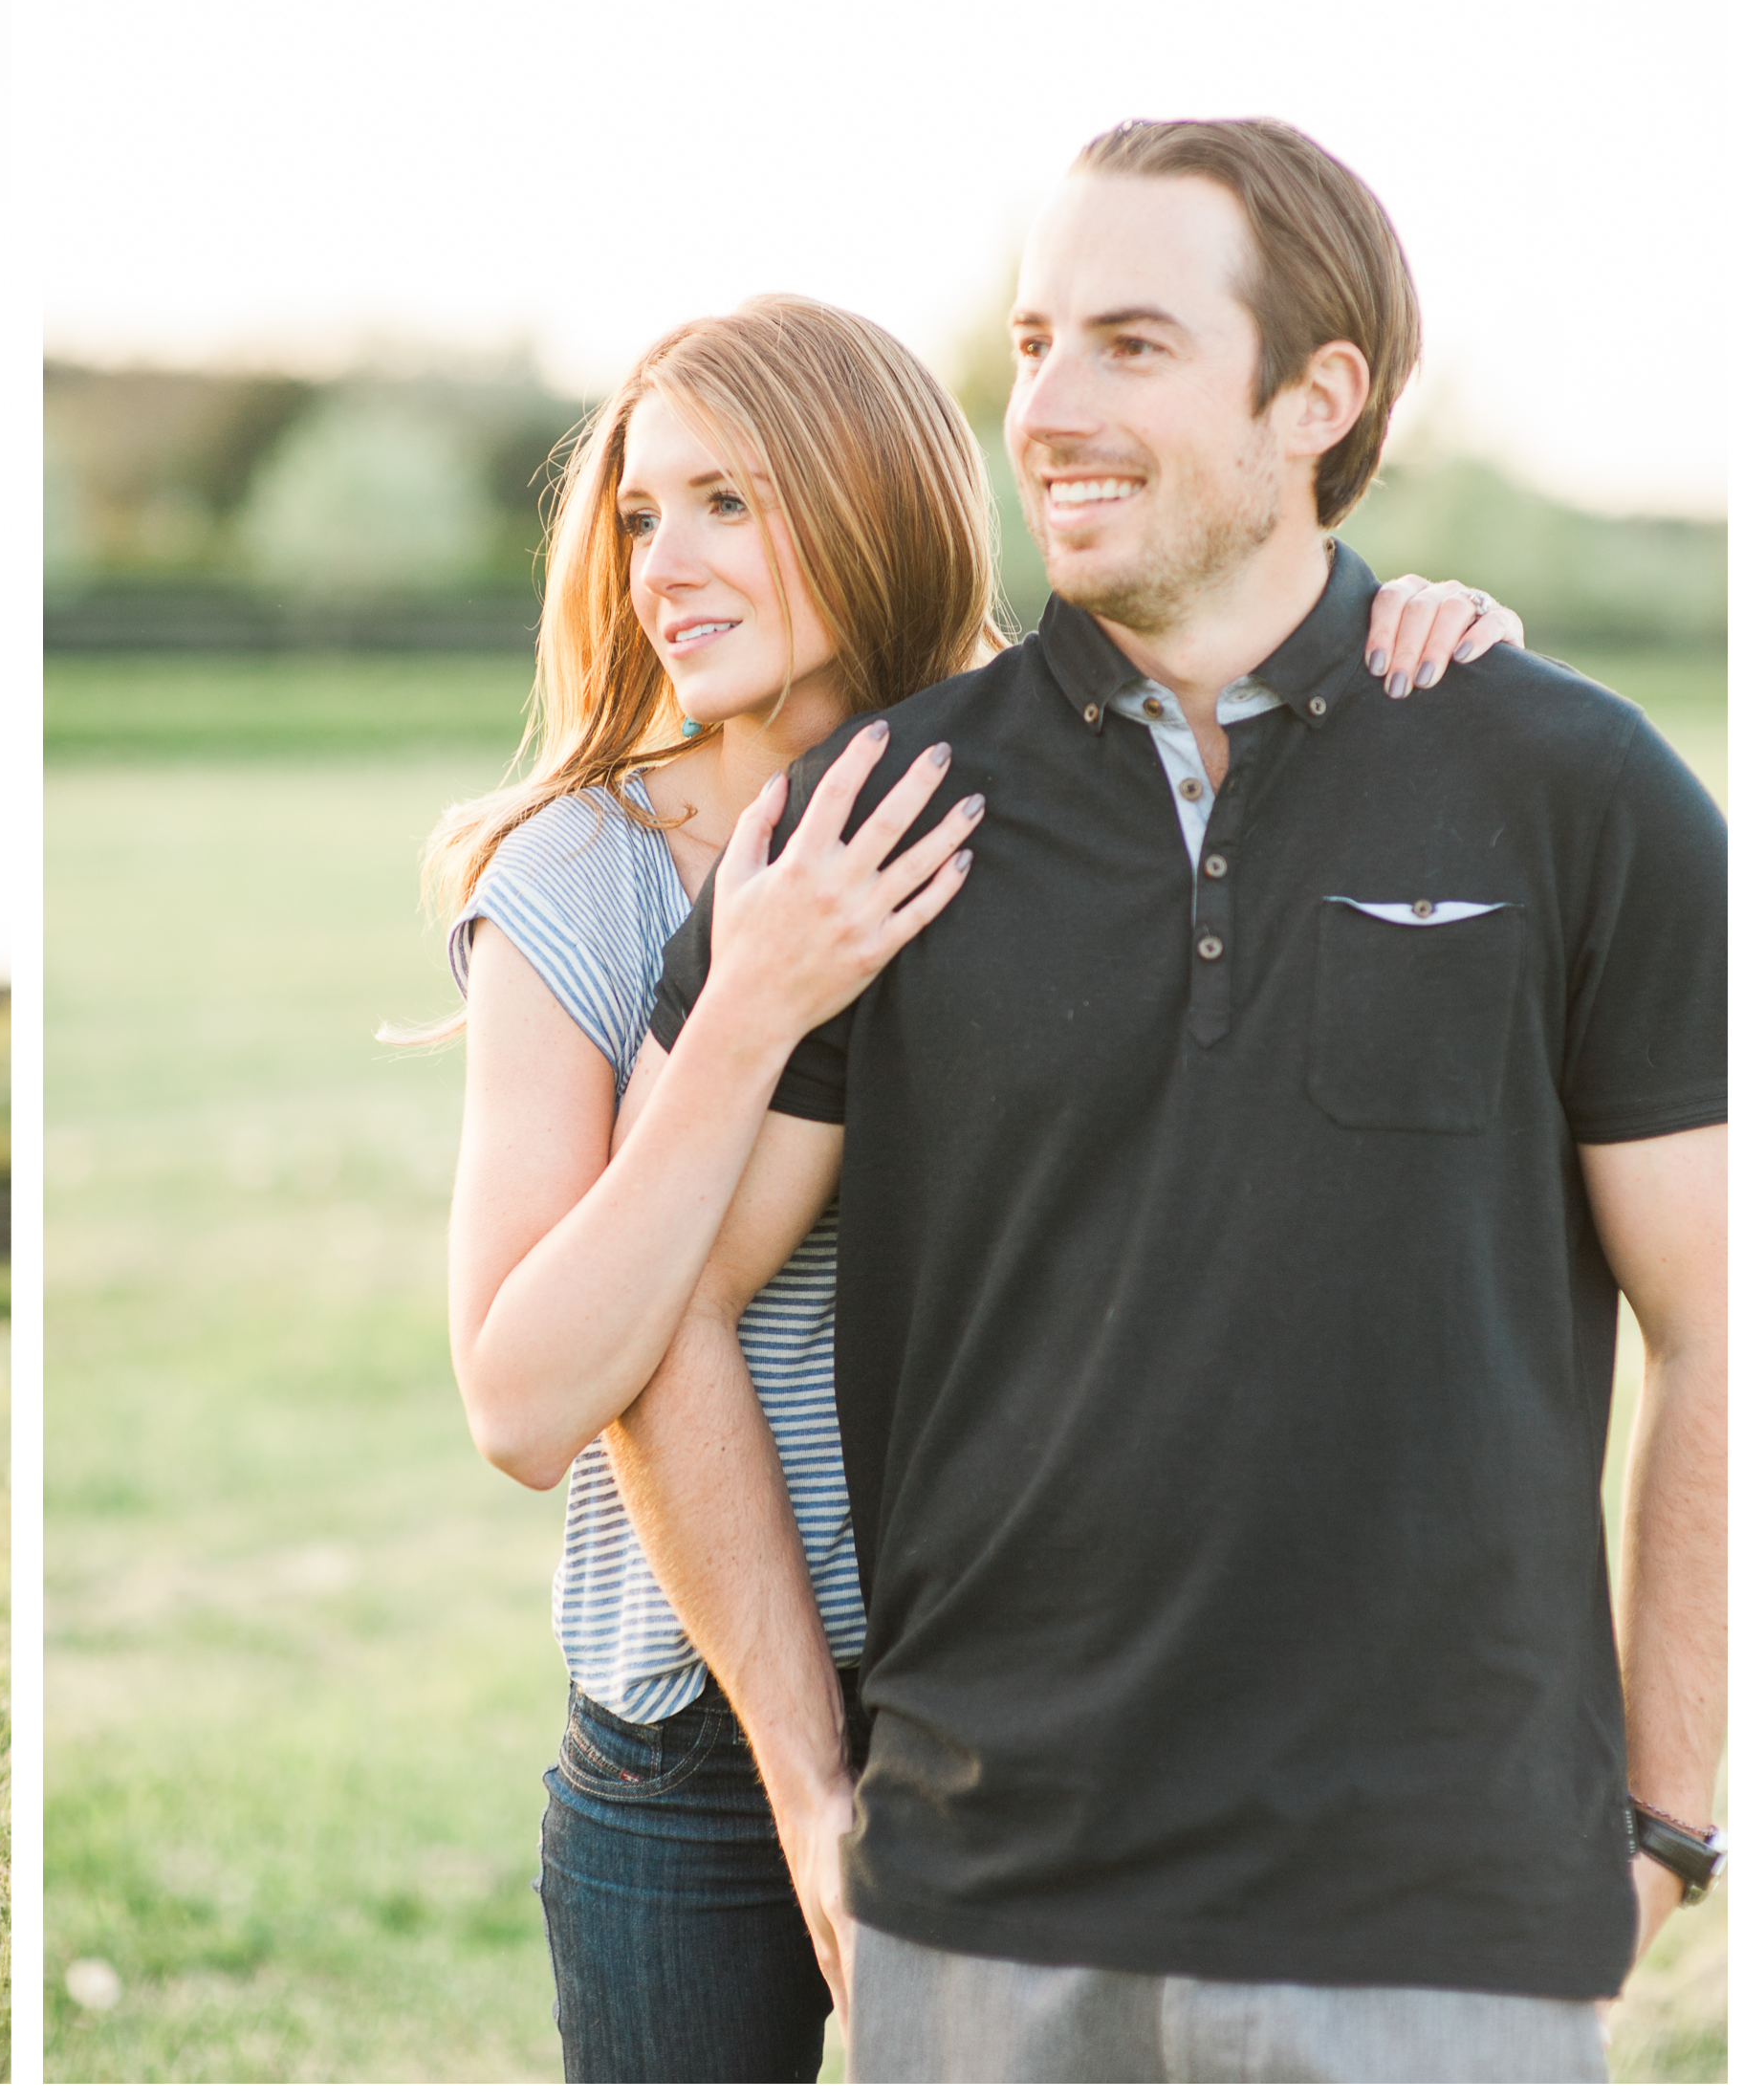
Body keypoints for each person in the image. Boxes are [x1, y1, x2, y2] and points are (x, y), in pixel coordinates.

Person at [636, 120, 1722, 2082]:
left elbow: (1715, 1316)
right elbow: (666, 1311)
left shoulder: (1577, 791)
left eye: (1129, 346)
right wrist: (812, 1786)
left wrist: (1664, 1818)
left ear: (1319, 397)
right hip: (979, 1923)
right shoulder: (864, 826)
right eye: (1035, 340)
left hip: (1440, 1931)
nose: (1044, 405)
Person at [428, 293, 1520, 2081]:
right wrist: (754, 1004)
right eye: (638, 515)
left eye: (727, 503)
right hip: (695, 1749)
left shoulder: (1051, 795)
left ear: (864, 502)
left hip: (1037, 1713)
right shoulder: (579, 879)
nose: (664, 567)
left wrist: (1421, 642)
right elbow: (528, 1395)